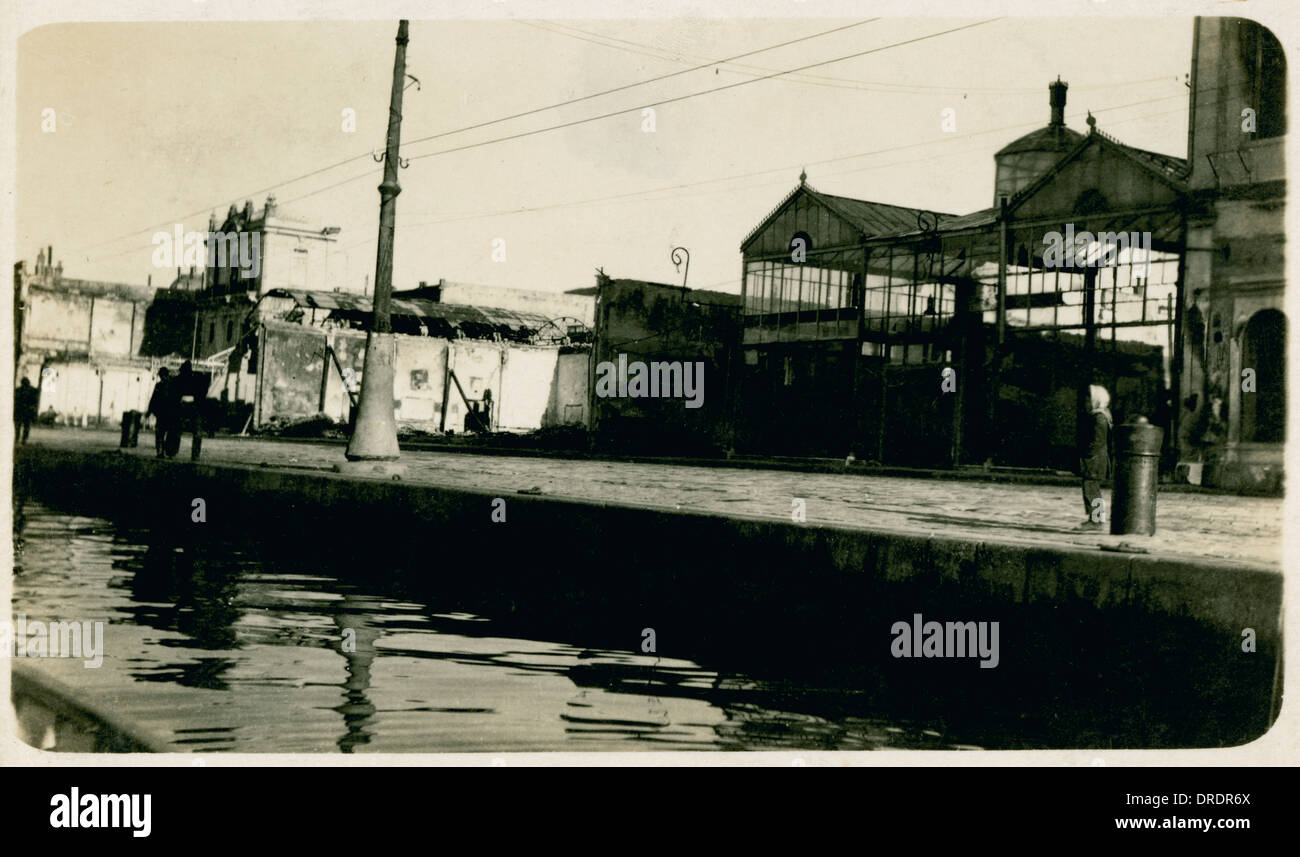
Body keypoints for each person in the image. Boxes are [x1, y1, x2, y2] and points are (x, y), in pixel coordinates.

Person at [1079, 384, 1113, 529]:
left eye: (1089, 400)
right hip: (1096, 459)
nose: (1087, 403)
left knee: (1091, 490)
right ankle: (1096, 519)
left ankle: (1096, 520)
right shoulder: (1103, 415)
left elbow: (1096, 441)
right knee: (1092, 489)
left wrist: (1086, 454)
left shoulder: (1098, 418)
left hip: (1094, 460)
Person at [174, 361, 204, 462]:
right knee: (196, 432)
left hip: (184, 405)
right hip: (193, 406)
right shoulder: (197, 378)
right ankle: (195, 455)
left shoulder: (178, 379)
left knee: (177, 429)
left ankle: (172, 451)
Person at [146, 368, 175, 458]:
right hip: (170, 414)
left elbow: (154, 399)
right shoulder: (173, 385)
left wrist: (149, 411)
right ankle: (169, 453)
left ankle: (160, 452)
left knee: (160, 434)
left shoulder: (159, 386)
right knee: (170, 434)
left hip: (162, 414)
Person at [14, 377, 39, 444]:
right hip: (26, 412)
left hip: (21, 411)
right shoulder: (33, 390)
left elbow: (15, 402)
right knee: (25, 427)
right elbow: (35, 402)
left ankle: (19, 439)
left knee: (20, 426)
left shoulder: (18, 390)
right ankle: (22, 439)